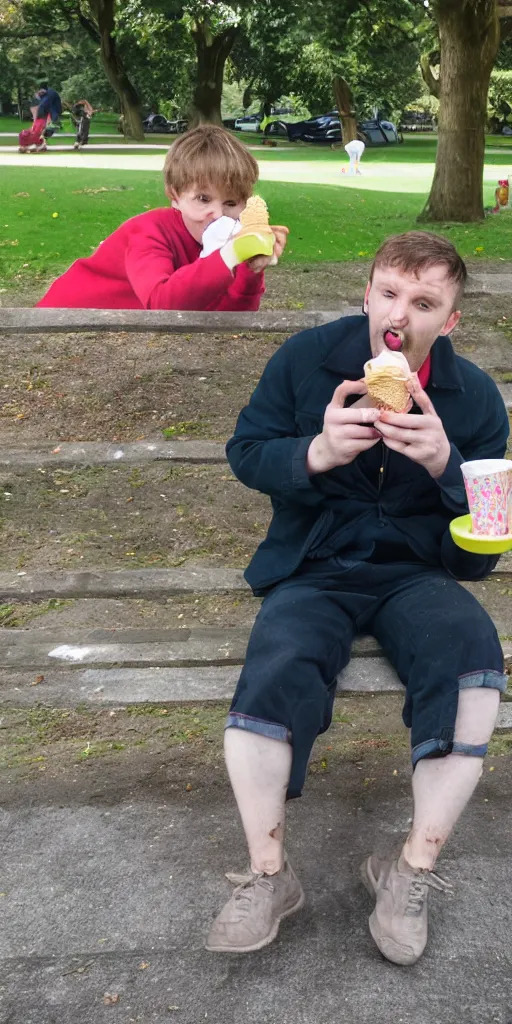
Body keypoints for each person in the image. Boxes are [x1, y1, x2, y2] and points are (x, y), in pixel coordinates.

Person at [205, 231, 509, 964]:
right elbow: (247, 451)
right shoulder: (306, 361)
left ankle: (410, 871)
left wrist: (446, 465)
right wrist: (315, 452)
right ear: (369, 294)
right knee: (277, 663)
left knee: (473, 665)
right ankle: (268, 875)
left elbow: (488, 535)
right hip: (316, 564)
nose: (401, 312)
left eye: (425, 301)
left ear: (450, 319)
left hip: (418, 573)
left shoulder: (472, 397)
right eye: (391, 293)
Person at [36, 125, 288, 310]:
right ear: (174, 195)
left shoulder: (222, 242)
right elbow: (161, 304)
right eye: (203, 199)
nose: (218, 215)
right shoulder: (149, 231)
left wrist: (251, 267)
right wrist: (229, 255)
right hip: (61, 320)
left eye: (231, 203)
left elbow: (229, 316)